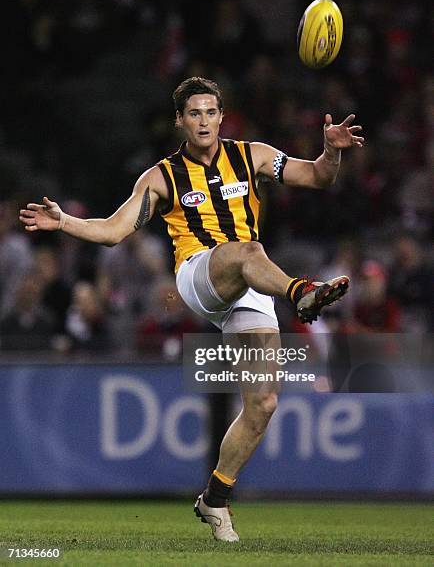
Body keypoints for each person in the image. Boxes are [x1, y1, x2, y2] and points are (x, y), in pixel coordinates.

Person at [19, 76, 364, 542]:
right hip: (201, 273)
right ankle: (303, 292)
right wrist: (64, 221)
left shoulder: (252, 155)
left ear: (222, 117)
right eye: (194, 114)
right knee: (247, 250)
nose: (203, 121)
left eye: (211, 112)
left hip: (252, 284)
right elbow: (112, 230)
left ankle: (215, 500)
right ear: (180, 121)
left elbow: (319, 176)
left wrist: (333, 151)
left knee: (263, 403)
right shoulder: (161, 177)